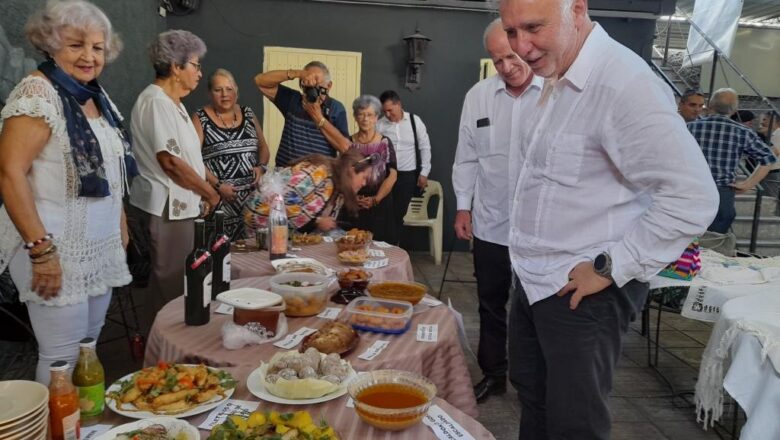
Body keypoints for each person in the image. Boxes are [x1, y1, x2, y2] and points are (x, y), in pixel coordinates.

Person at [498, 0, 719, 438]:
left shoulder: (623, 83)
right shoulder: (557, 75)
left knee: (573, 421)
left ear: (576, 9)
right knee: (534, 396)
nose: (521, 46)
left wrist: (612, 267)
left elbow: (693, 197)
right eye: (511, 32)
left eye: (534, 28)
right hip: (535, 279)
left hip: (584, 291)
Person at [0, 0, 134, 383]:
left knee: (87, 349)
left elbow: (110, 168)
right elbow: (10, 172)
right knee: (61, 357)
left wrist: (120, 221)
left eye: (97, 47)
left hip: (96, 244)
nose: (89, 56)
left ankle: (82, 426)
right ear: (50, 43)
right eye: (76, 45)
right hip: (53, 247)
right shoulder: (38, 93)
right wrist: (41, 251)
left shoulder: (95, 96)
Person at [452, 18, 542, 404]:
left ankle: (534, 382)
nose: (505, 67)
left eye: (509, 57)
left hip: (539, 231)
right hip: (490, 223)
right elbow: (467, 157)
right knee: (490, 305)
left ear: (526, 45)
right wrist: (461, 206)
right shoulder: (478, 96)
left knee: (537, 310)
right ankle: (494, 374)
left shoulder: (555, 93)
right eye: (496, 60)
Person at [128, 30, 219, 317]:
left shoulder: (173, 104)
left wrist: (204, 188)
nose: (200, 73)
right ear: (176, 67)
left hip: (179, 205)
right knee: (170, 283)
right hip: (168, 205)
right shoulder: (156, 102)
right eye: (195, 65)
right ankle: (165, 350)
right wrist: (210, 193)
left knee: (171, 281)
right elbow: (171, 163)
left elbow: (188, 159)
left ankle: (159, 341)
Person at [192, 68, 270, 240]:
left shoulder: (248, 113)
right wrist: (218, 186)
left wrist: (261, 166)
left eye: (229, 89)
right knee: (219, 256)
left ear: (236, 90)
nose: (224, 94)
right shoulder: (200, 118)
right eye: (218, 90)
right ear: (210, 93)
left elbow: (264, 148)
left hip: (252, 205)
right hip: (218, 202)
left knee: (251, 255)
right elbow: (193, 159)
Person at [688, 88, 776, 234]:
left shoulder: (690, 128)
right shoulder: (743, 132)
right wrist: (748, 184)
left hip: (691, 190)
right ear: (735, 109)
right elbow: (768, 158)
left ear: (710, 105)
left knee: (685, 240)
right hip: (722, 193)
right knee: (714, 243)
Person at [243, 150, 371, 233]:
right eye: (363, 178)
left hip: (284, 233)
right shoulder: (317, 173)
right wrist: (318, 221)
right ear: (350, 171)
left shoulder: (340, 188)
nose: (364, 183)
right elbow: (285, 205)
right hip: (262, 224)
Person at [254, 61, 350, 166]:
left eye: (317, 84)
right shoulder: (293, 100)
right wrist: (297, 73)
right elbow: (260, 81)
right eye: (308, 84)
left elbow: (345, 148)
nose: (312, 90)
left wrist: (319, 118)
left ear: (329, 86)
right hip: (286, 176)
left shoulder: (336, 109)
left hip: (319, 178)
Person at [377, 90, 432, 244]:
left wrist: (424, 173)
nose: (387, 114)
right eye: (384, 111)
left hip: (407, 176)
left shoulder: (415, 121)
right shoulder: (380, 124)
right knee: (384, 213)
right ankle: (383, 247)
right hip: (386, 175)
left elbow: (425, 147)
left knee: (398, 214)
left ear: (399, 105)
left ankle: (394, 247)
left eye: (390, 110)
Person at [347, 95, 398, 242]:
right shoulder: (348, 143)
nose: (365, 119)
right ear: (355, 117)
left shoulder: (385, 142)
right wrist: (353, 197)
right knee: (354, 246)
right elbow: (343, 174)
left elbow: (392, 175)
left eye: (370, 115)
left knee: (381, 247)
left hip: (380, 203)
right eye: (361, 114)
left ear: (376, 118)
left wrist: (376, 199)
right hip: (355, 204)